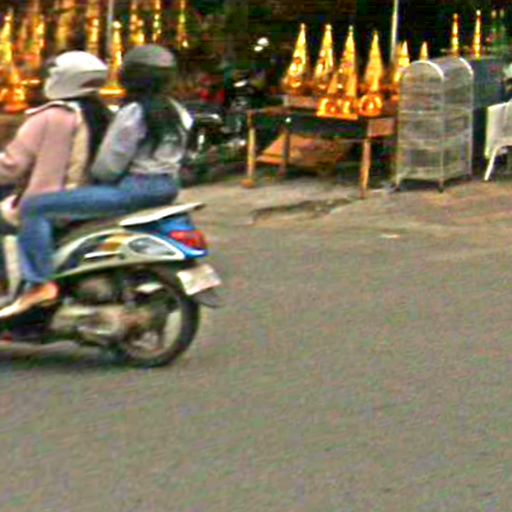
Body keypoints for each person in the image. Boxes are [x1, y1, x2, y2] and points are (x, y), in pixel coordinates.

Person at [0, 44, 192, 318]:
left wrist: (99, 181)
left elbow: (109, 166)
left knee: (35, 207)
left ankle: (39, 283)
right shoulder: (176, 111)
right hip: (167, 186)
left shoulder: (130, 112)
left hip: (133, 188)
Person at [0, 50, 111, 301]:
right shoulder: (103, 114)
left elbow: (11, 166)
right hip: (88, 197)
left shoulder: (51, 116)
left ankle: (5, 290)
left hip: (53, 201)